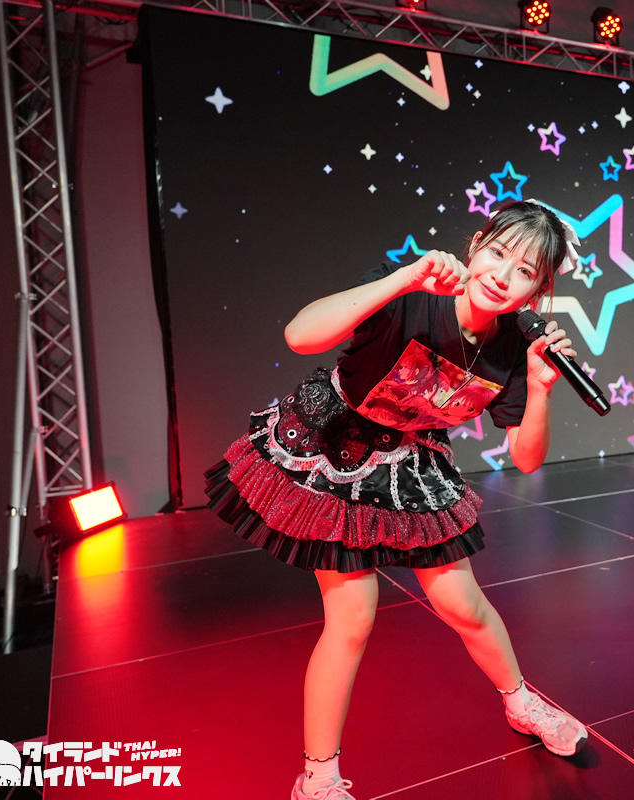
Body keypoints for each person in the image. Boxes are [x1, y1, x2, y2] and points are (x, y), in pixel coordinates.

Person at [205, 200, 589, 800]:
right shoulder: (413, 291)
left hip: (410, 456)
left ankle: (520, 703)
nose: (501, 276)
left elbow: (527, 459)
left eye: (523, 272)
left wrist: (541, 390)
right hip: (336, 445)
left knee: (464, 604)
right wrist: (404, 279)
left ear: (538, 292)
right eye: (497, 254)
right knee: (353, 616)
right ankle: (317, 778)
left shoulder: (517, 346)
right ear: (475, 246)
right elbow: (299, 335)